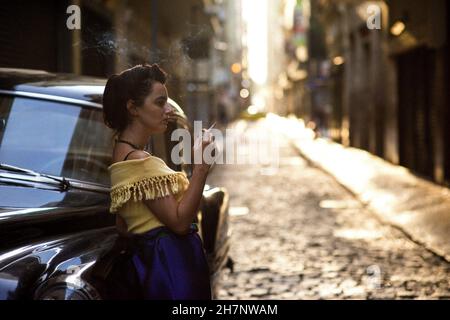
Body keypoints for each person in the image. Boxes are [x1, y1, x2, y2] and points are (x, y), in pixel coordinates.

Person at [101, 63, 213, 299]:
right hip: (172, 271)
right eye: (160, 102)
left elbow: (123, 226)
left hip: (153, 269)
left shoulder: (120, 156)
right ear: (133, 108)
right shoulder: (141, 162)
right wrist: (201, 168)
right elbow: (180, 222)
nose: (168, 111)